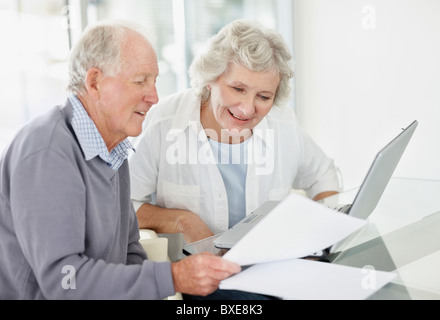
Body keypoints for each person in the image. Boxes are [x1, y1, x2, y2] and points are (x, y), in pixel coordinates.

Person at [0, 20, 241, 300]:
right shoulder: (48, 151)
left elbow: (130, 252)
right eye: (140, 81)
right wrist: (173, 277)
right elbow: (64, 280)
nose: (154, 97)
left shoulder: (114, 149)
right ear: (95, 82)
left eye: (155, 81)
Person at [129, 20, 341, 247]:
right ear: (210, 78)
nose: (248, 109)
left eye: (263, 97)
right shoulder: (163, 122)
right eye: (238, 89)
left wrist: (321, 237)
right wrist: (183, 220)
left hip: (266, 269)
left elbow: (323, 175)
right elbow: (126, 203)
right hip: (190, 274)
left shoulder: (283, 123)